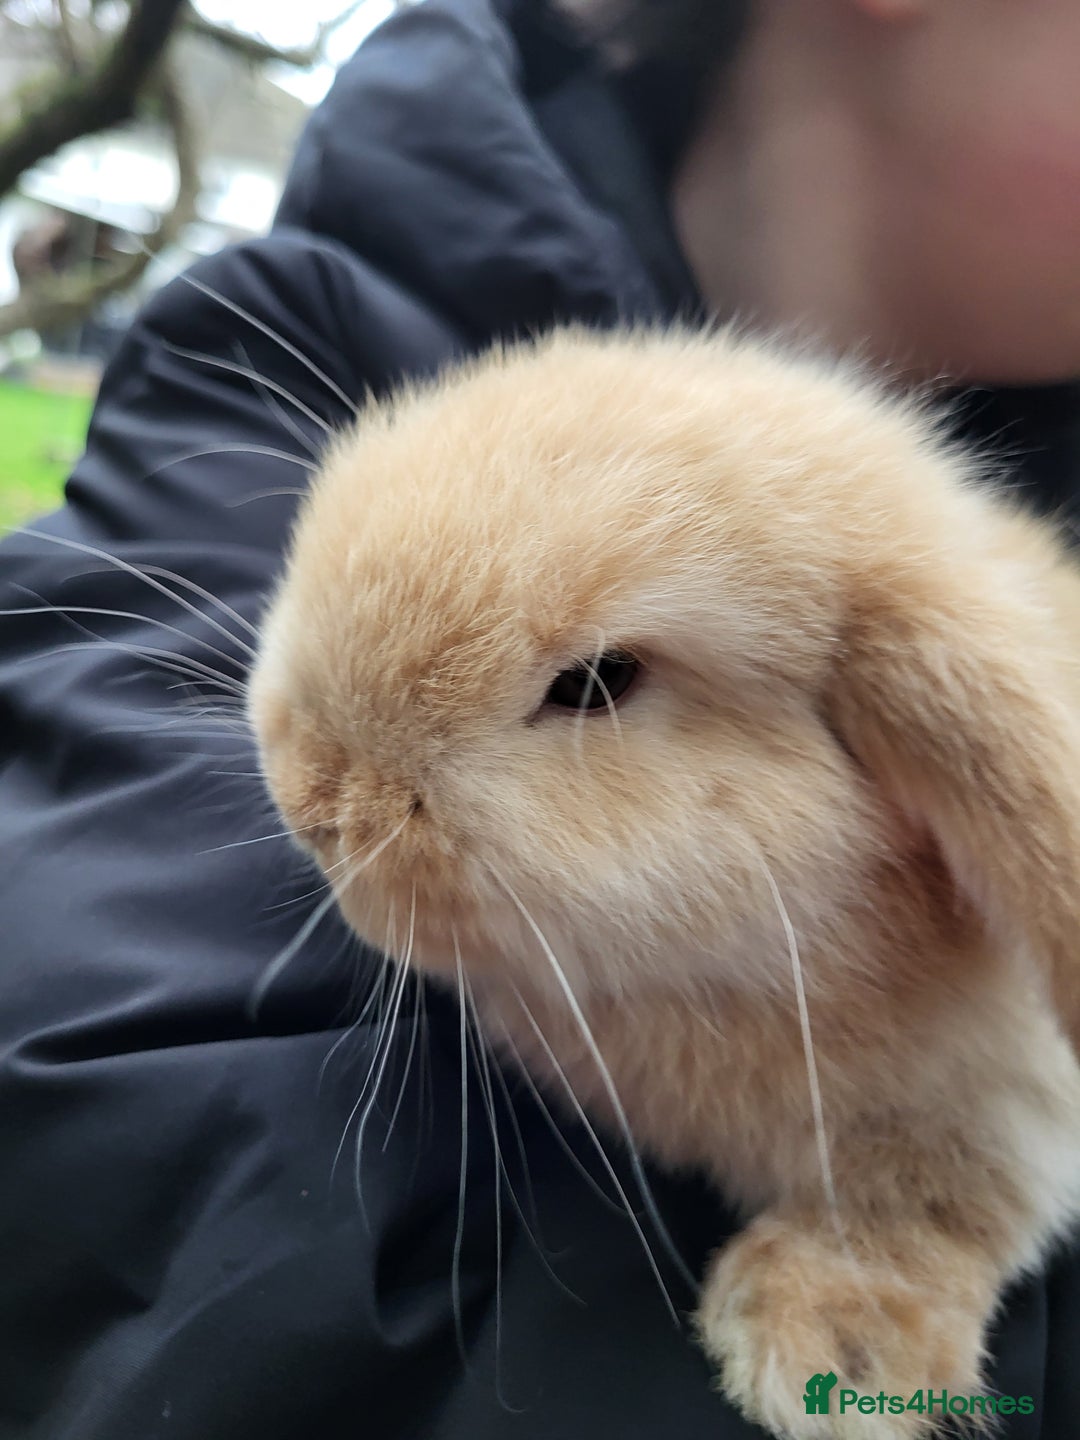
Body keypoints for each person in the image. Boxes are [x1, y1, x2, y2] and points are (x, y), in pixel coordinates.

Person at [1, 2, 1078, 1437]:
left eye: (592, 682)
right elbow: (132, 1160)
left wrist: (918, 1230)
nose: (314, 795)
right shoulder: (301, 329)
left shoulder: (926, 618)